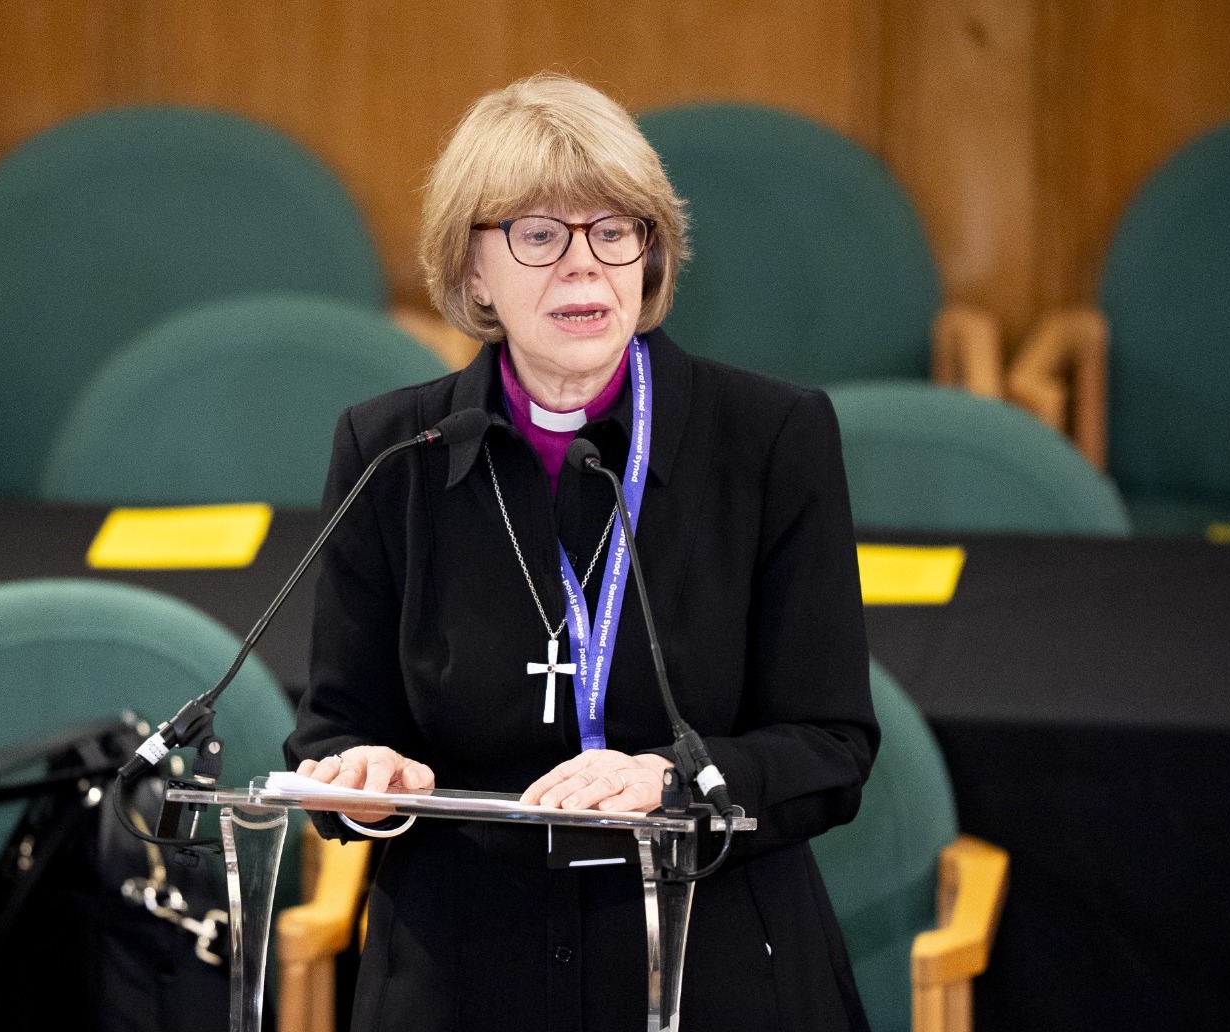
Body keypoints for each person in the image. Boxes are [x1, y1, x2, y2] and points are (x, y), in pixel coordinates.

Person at [285, 70, 878, 1031]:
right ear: (472, 270)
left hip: (710, 959)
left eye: (613, 231)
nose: (583, 266)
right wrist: (361, 776)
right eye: (538, 234)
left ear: (651, 251)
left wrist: (672, 779)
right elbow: (334, 726)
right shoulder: (392, 451)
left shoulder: (771, 439)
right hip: (461, 969)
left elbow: (832, 746)